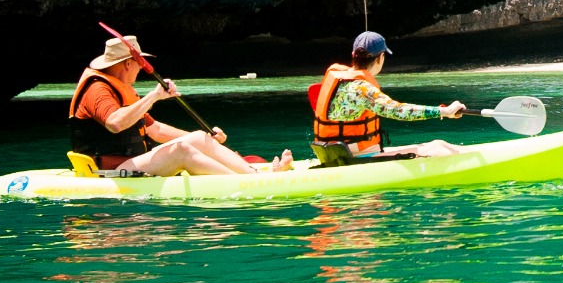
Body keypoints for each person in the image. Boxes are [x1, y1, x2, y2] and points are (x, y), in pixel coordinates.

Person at [70, 35, 293, 175]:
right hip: (107, 170)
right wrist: (154, 97)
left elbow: (154, 129)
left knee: (195, 138)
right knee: (182, 150)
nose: (139, 71)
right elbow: (115, 124)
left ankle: (254, 175)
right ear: (128, 64)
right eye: (138, 65)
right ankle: (251, 184)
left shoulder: (122, 89)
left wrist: (204, 139)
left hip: (131, 161)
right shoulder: (98, 89)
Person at [310, 31, 471, 166]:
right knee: (440, 150)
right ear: (380, 58)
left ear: (353, 55)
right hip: (353, 160)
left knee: (439, 143)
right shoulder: (361, 88)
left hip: (332, 153)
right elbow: (398, 111)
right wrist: (443, 111)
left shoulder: (337, 78)